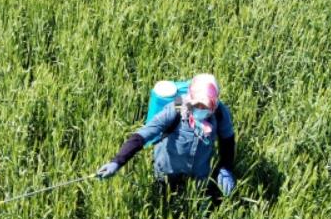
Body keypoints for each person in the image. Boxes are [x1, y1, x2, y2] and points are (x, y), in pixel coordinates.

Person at [97, 73, 236, 199]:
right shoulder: (177, 106)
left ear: (214, 104)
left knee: (198, 198)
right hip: (168, 167)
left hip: (199, 171)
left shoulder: (220, 113)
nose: (200, 110)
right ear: (190, 98)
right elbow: (146, 132)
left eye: (205, 107)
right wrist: (117, 161)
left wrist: (225, 168)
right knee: (163, 196)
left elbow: (227, 141)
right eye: (196, 105)